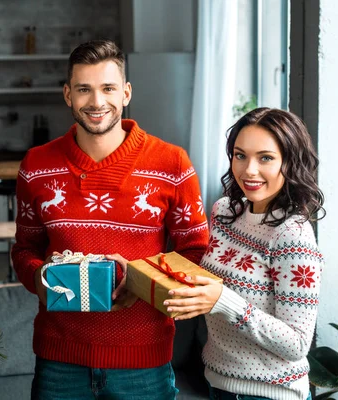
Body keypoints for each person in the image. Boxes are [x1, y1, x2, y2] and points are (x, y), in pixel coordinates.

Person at [11, 39, 209, 400]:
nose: (97, 102)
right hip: (59, 361)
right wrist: (43, 281)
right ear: (68, 94)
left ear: (126, 93)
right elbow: (25, 249)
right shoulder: (36, 166)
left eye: (108, 88)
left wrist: (139, 281)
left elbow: (196, 253)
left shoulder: (173, 164)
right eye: (84, 89)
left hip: (143, 363)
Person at [166, 108, 324, 400]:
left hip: (270, 393)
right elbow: (212, 282)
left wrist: (224, 301)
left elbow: (297, 343)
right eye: (240, 155)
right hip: (216, 382)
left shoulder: (293, 236)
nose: (249, 170)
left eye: (265, 158)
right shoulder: (225, 212)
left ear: (290, 162)